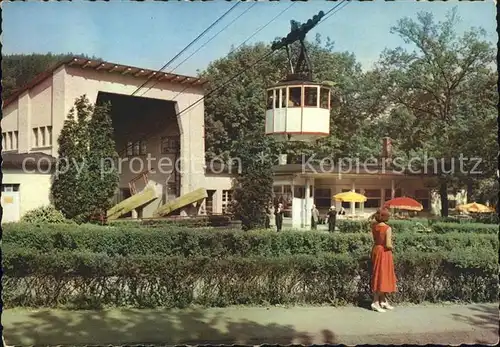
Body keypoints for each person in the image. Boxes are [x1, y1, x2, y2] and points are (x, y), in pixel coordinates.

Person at [370, 207, 397, 313]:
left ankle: (383, 300)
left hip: (376, 250)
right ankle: (375, 302)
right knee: (383, 276)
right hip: (385, 252)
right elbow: (388, 244)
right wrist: (393, 247)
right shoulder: (387, 228)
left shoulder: (374, 226)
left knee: (378, 274)